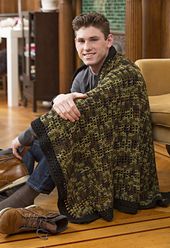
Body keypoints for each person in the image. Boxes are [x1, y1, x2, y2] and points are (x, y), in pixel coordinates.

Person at [0, 12, 167, 223]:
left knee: (60, 140)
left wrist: (23, 136)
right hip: (96, 145)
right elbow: (61, 115)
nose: (86, 47)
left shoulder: (125, 74)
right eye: (81, 40)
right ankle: (11, 190)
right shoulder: (83, 75)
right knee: (33, 145)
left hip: (121, 156)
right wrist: (60, 99)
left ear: (109, 41)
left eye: (93, 39)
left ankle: (22, 199)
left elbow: (78, 114)